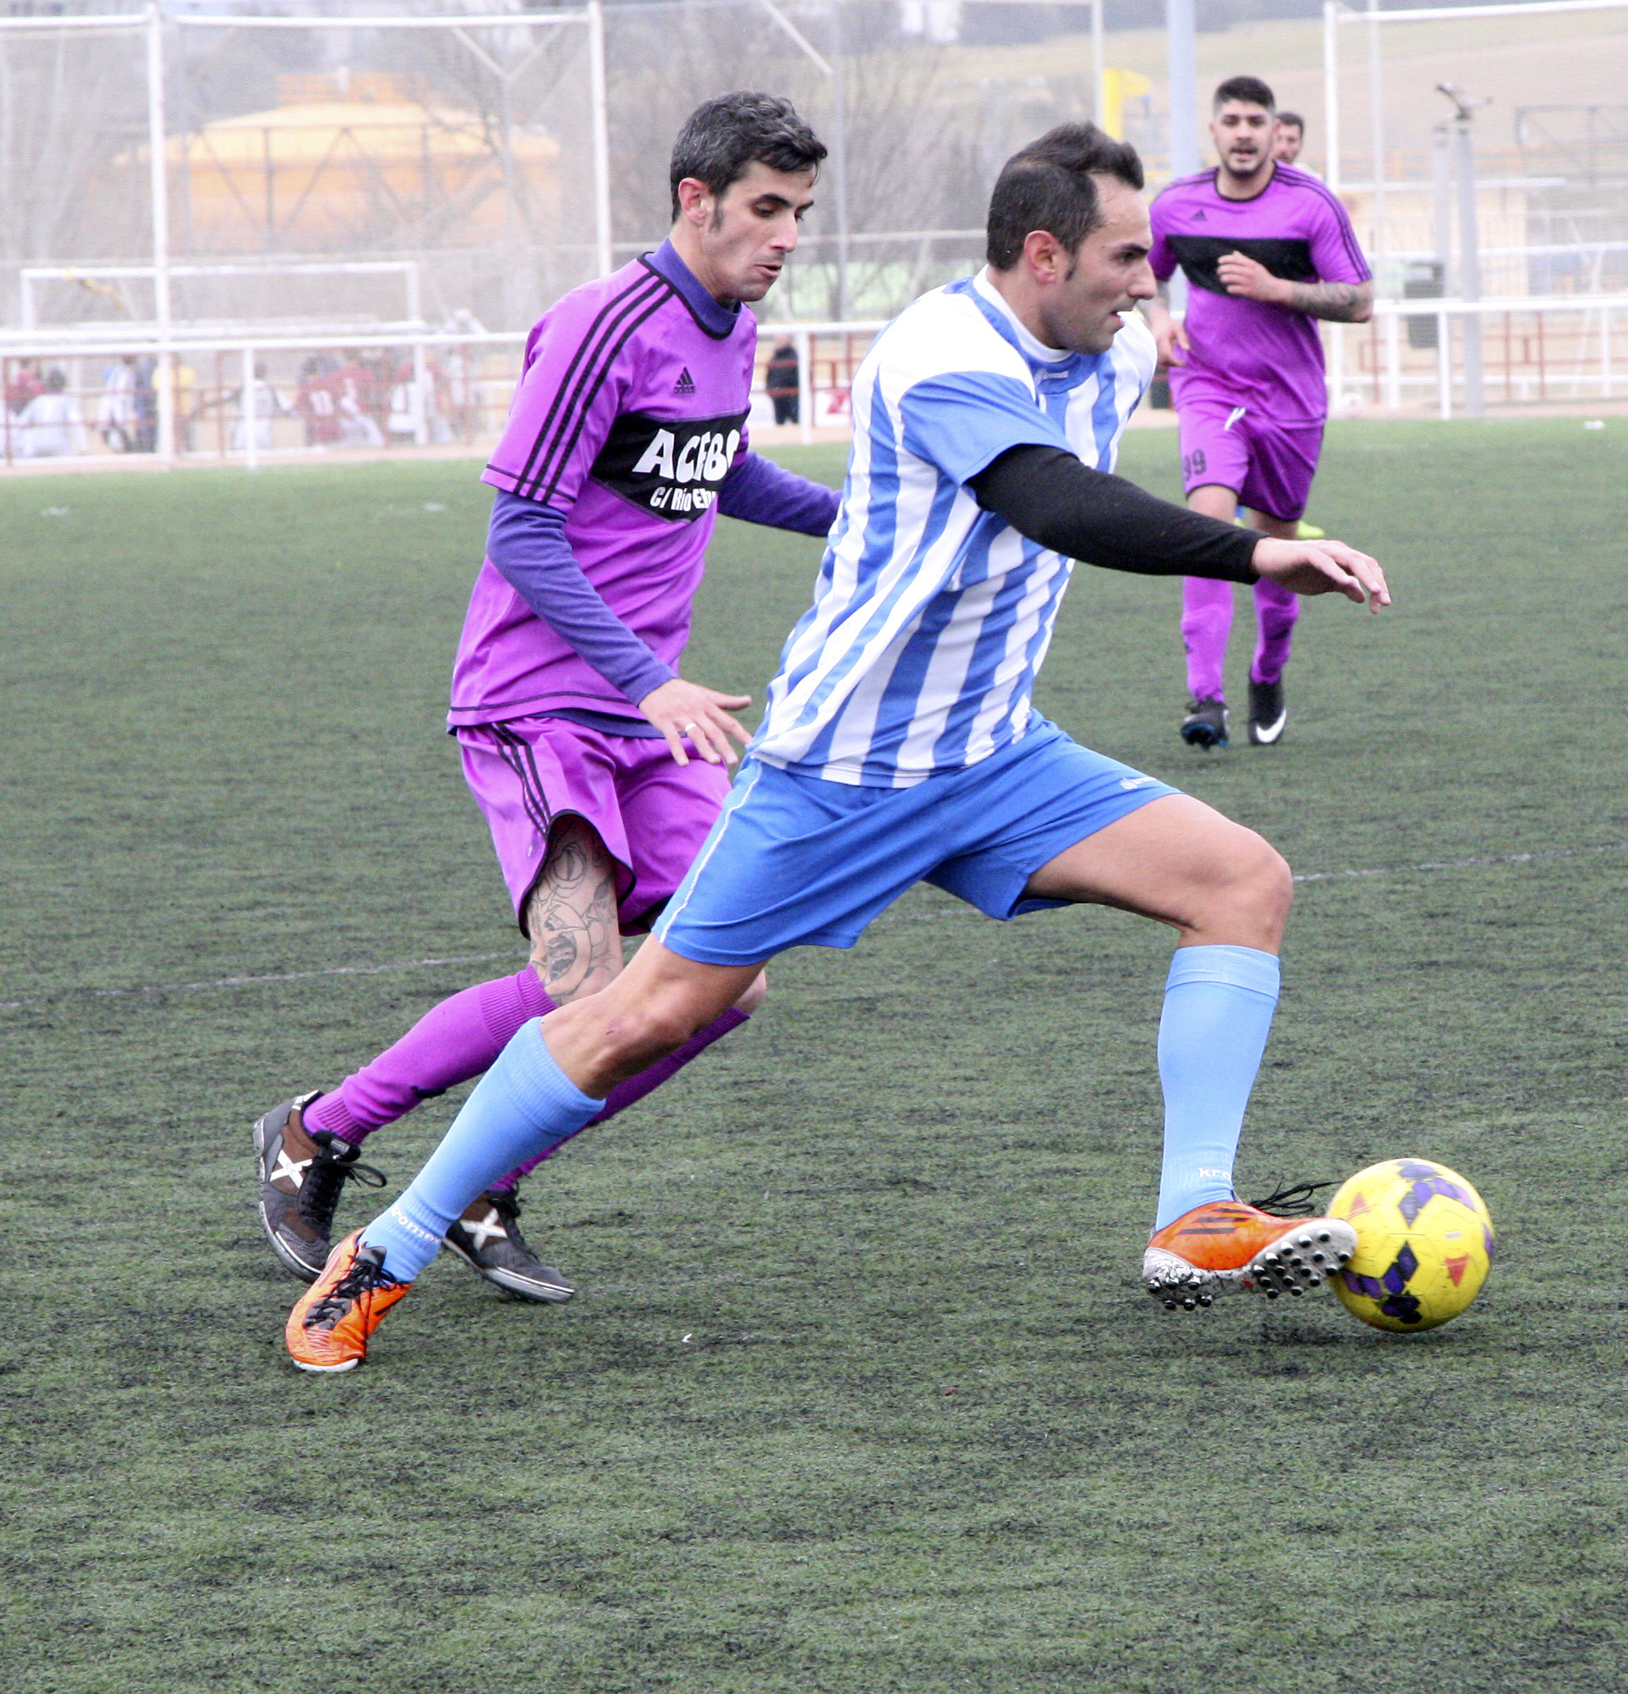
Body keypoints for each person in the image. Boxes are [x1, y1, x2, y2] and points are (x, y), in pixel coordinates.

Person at [282, 121, 1392, 1373]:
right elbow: (1051, 501)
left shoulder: (1117, 339)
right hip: (842, 766)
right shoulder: (940, 350)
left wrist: (1214, 498)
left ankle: (1195, 1216)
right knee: (629, 1013)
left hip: (993, 755)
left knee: (1244, 880)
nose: (1154, 281)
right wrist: (1251, 547)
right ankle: (387, 1246)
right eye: (1131, 257)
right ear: (1042, 254)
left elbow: (1136, 455)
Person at [254, 93, 841, 1306]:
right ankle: (317, 1130)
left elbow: (716, 469)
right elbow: (520, 528)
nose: (788, 236)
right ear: (697, 198)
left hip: (651, 716)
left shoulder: (727, 327)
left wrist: (867, 518)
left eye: (802, 214)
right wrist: (649, 677)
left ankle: (482, 1181)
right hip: (538, 704)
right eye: (769, 209)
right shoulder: (601, 325)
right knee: (588, 984)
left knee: (729, 979)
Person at [1146, 76, 1372, 749]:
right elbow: (1146, 271)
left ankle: (1268, 672)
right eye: (1232, 121)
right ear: (1213, 132)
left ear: (1277, 133)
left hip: (1291, 404)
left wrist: (1276, 288)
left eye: (1256, 121)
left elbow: (1359, 301)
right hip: (1209, 387)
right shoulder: (1177, 206)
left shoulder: (1311, 207)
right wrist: (1157, 317)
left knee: (1276, 549)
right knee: (1207, 524)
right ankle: (1204, 699)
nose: (1244, 132)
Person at [11, 368, 81, 458]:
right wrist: (83, 448)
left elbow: (20, 423)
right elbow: (76, 423)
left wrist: (13, 447)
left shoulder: (38, 400)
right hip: (60, 446)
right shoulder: (67, 400)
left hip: (38, 446)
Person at [766, 337, 801, 425]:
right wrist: (770, 388)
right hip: (778, 397)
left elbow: (796, 376)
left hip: (792, 397)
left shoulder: (794, 356)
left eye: (781, 340)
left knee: (796, 421)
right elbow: (769, 375)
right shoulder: (775, 356)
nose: (778, 342)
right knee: (779, 422)